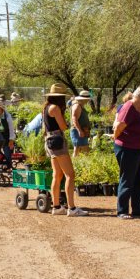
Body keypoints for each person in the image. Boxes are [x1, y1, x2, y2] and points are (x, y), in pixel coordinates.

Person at [110, 85, 140, 219]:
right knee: (127, 179)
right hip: (128, 148)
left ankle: (137, 208)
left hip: (139, 149)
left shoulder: (137, 108)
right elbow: (118, 126)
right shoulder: (129, 107)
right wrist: (116, 137)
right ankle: (122, 210)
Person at [42, 85, 85, 216]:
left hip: (49, 140)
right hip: (57, 140)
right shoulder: (55, 108)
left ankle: (56, 206)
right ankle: (71, 208)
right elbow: (64, 126)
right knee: (70, 174)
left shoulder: (46, 107)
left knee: (57, 175)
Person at [0, 99, 16, 169]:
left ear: (1, 108)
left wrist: (11, 140)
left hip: (6, 137)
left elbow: (11, 128)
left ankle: (9, 168)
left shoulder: (7, 115)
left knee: (7, 153)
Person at [70, 91, 92, 156]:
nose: (88, 100)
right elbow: (74, 118)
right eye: (87, 99)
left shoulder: (80, 106)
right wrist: (80, 130)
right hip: (78, 131)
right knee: (84, 149)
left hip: (81, 130)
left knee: (78, 149)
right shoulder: (77, 106)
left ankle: (77, 164)